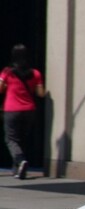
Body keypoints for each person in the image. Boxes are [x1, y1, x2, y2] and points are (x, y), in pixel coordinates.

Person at [0, 44, 45, 179]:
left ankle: (20, 160)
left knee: (10, 139)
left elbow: (0, 89)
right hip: (29, 110)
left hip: (12, 109)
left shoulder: (7, 72)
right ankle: (18, 170)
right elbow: (41, 93)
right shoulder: (35, 73)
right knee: (22, 139)